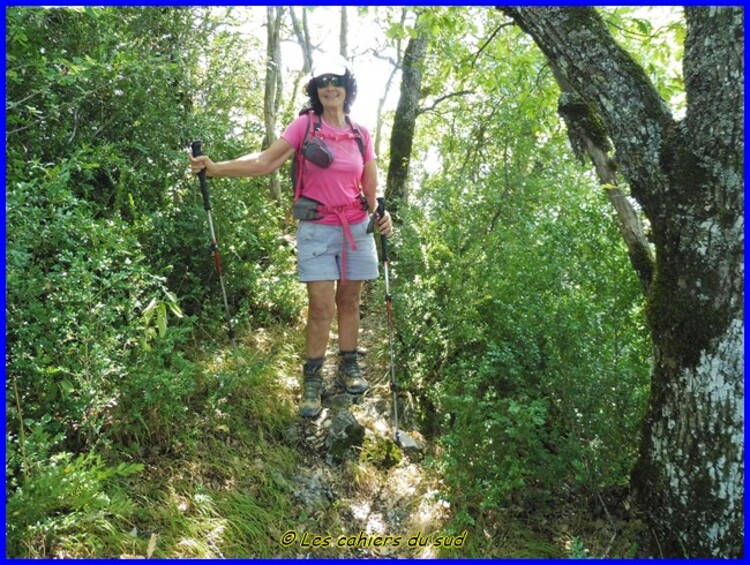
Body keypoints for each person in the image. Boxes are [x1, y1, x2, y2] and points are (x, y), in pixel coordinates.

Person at [189, 54, 392, 418]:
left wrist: (381, 212)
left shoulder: (361, 133)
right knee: (321, 307)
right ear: (316, 89)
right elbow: (265, 161)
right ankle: (312, 380)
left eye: (337, 79)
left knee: (349, 301)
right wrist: (217, 169)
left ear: (348, 86)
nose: (330, 86)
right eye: (323, 81)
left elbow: (369, 182)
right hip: (316, 228)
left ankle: (349, 366)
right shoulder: (304, 126)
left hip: (357, 227)